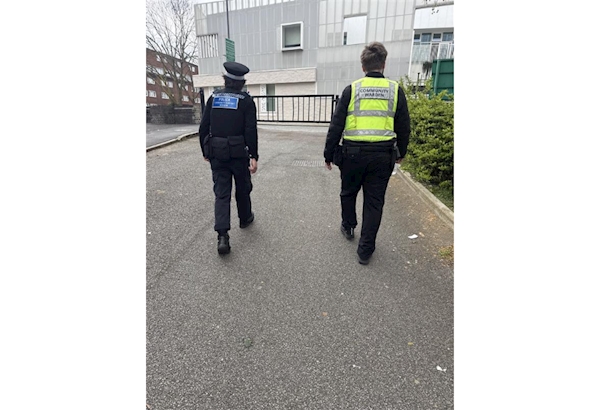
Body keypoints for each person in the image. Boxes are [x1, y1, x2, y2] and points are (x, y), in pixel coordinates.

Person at [324, 42, 411, 265]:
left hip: (352, 154)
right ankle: (365, 250)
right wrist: (401, 152)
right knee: (374, 202)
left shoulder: (352, 89)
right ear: (384, 64)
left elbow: (336, 124)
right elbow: (403, 126)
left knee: (348, 193)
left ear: (363, 66)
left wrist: (328, 153)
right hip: (382, 155)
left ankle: (348, 226)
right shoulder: (395, 90)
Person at [199, 61, 259, 255]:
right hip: (238, 153)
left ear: (225, 79)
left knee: (221, 193)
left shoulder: (213, 98)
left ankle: (223, 236)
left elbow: (203, 127)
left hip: (217, 152)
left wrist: (205, 151)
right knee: (243, 187)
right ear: (242, 83)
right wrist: (254, 155)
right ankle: (245, 218)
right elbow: (250, 130)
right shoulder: (246, 101)